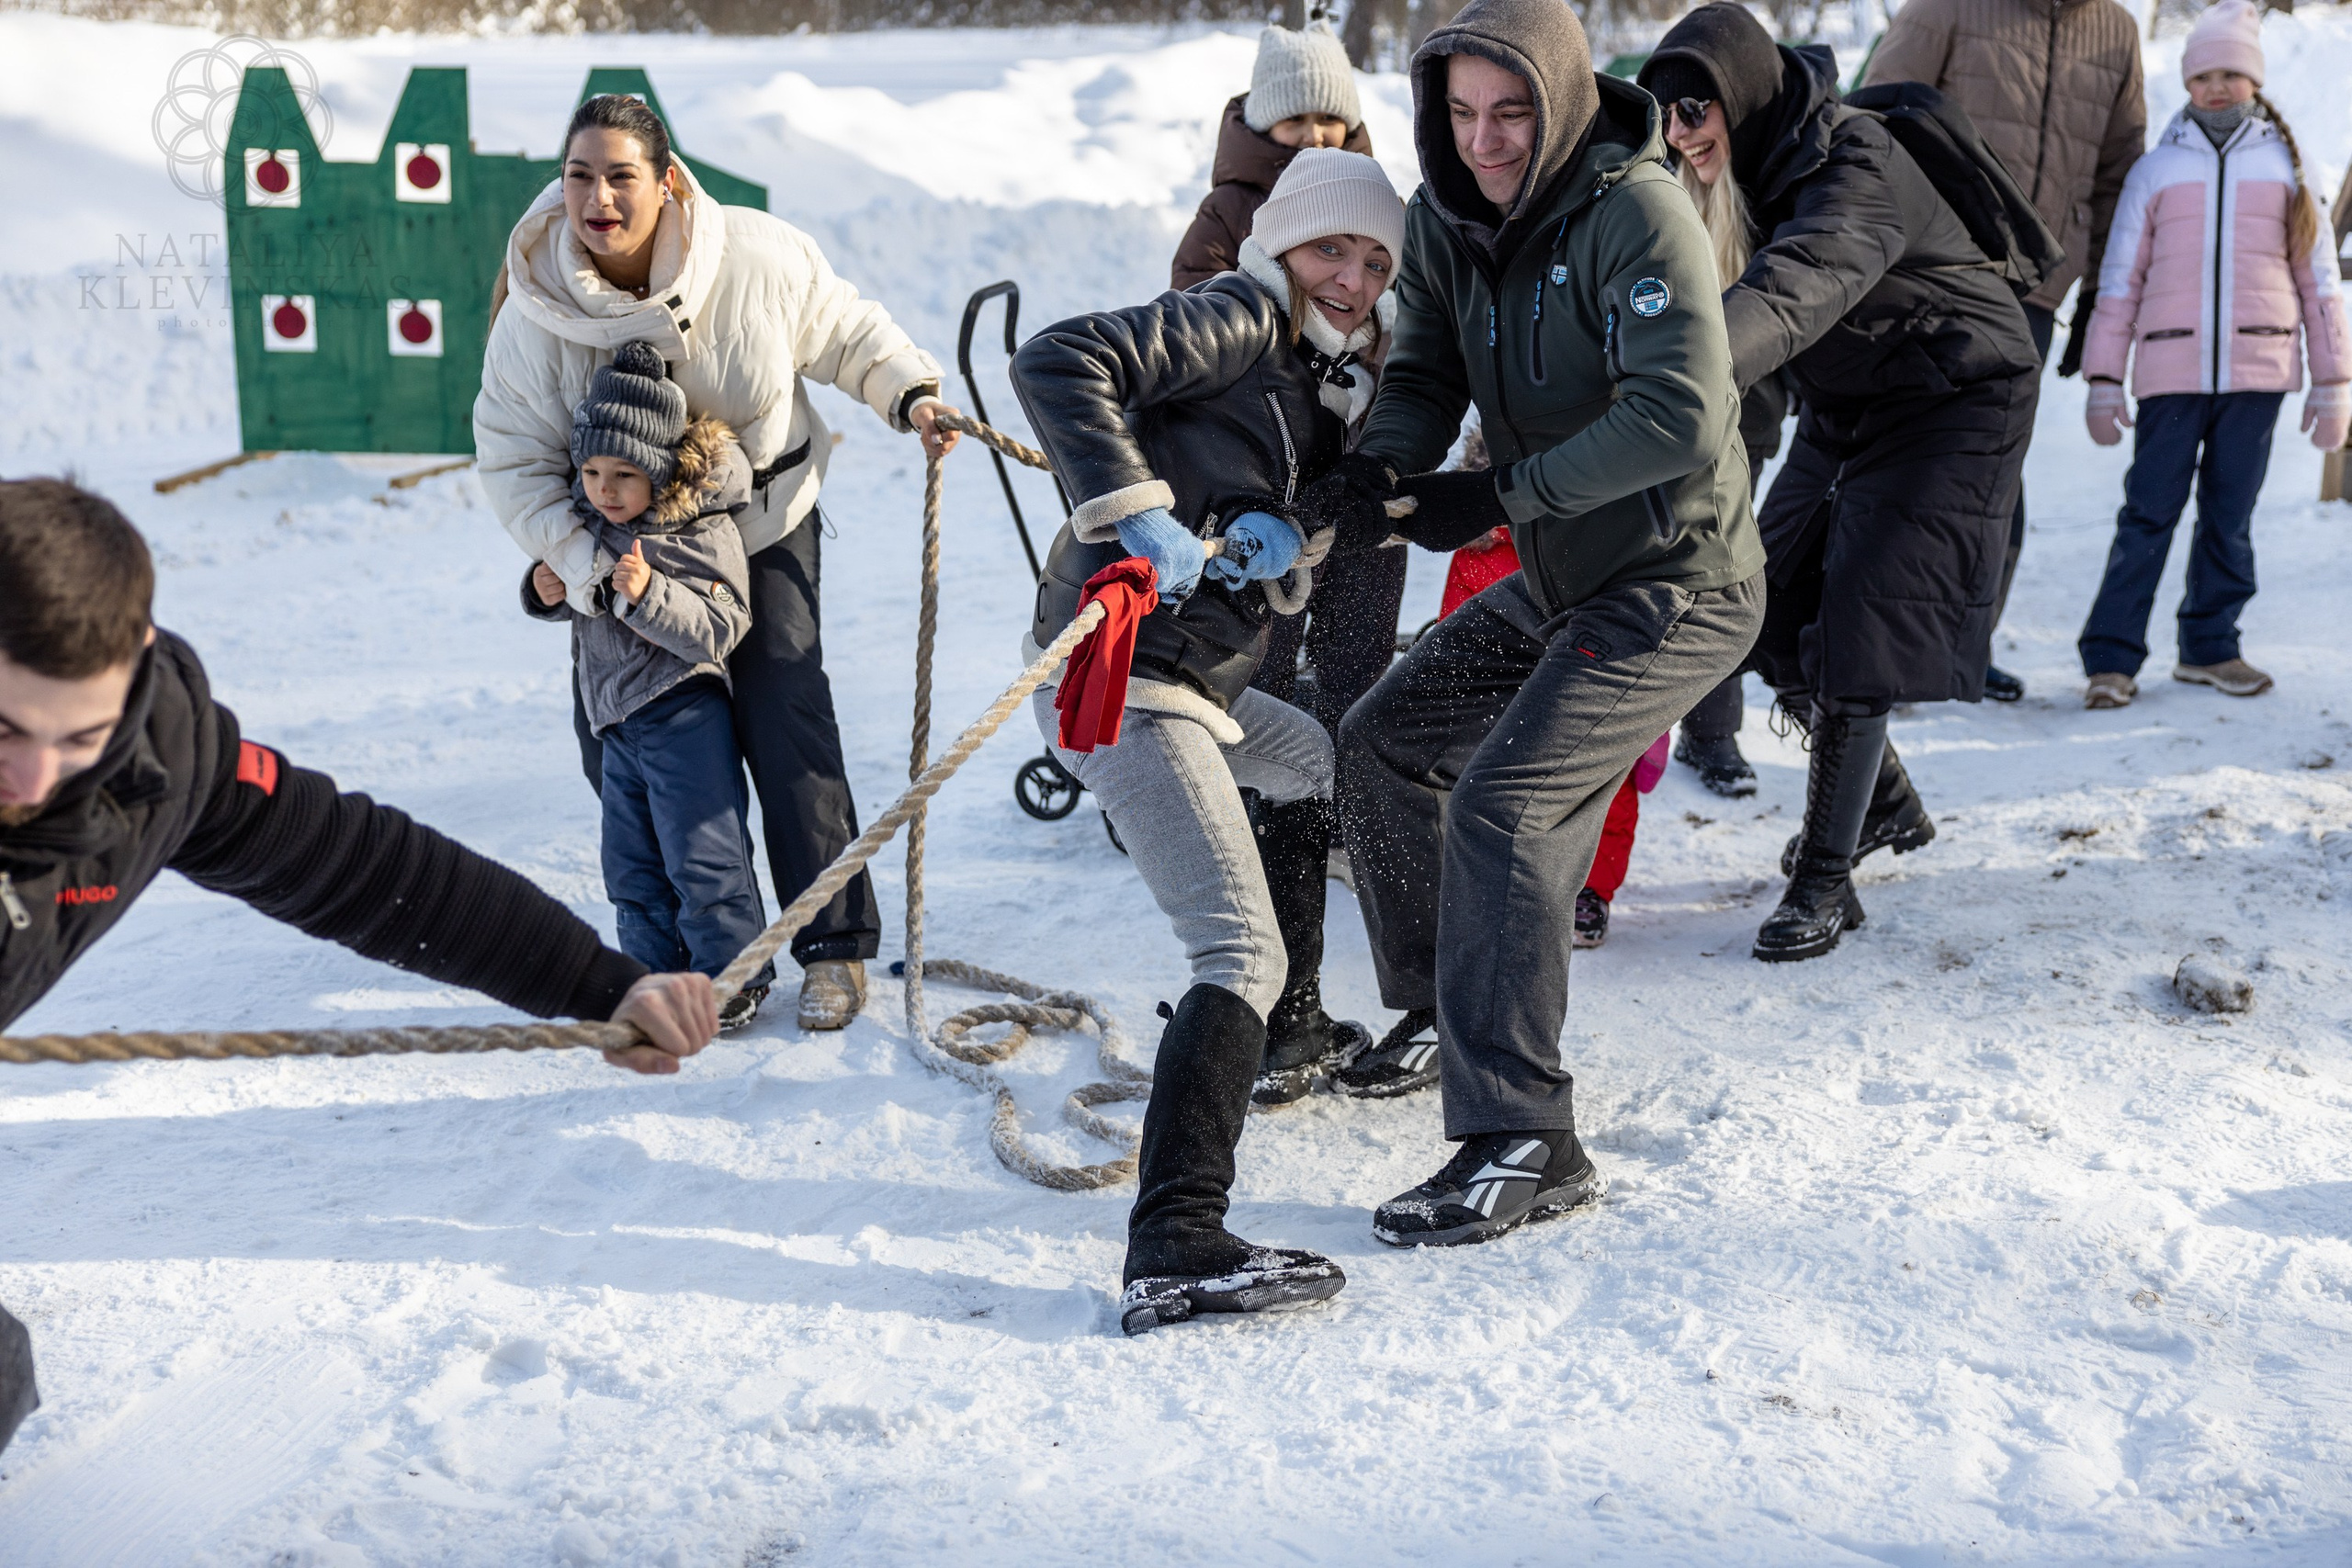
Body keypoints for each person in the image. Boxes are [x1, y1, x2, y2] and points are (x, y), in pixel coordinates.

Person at [0, 480, 720, 1457]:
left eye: (78, 738)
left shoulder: (160, 755)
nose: (39, 783)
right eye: (4, 732)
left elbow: (367, 870)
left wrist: (604, 984)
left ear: (131, 671)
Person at [1302, 0, 1766, 1247]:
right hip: (1566, 572)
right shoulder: (1447, 214)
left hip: (1680, 580)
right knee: (1384, 736)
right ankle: (1448, 1010)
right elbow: (1426, 371)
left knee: (1508, 802)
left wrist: (1495, 496)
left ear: (1558, 101)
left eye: (1510, 113)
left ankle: (1527, 1137)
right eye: (1460, 114)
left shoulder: (1637, 210)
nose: (1486, 141)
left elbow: (1678, 415)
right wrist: (1380, 472)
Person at [1012, 149, 1405, 1332]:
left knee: (1320, 766)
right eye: (1330, 249)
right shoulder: (1236, 313)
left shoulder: (1324, 378)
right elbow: (1060, 360)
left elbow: (1261, 482)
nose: (1350, 276)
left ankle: (1279, 1028)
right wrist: (1138, 513)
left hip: (1200, 686)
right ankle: (1177, 1238)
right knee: (1235, 948)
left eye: (1374, 261)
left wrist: (1274, 537)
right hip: (1125, 677)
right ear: (1280, 247)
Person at [476, 94, 965, 1035]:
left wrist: (909, 393)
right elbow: (511, 458)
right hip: (619, 551)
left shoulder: (754, 254)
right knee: (632, 740)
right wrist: (580, 569)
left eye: (621, 176)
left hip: (762, 520)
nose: (598, 198)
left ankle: (830, 946)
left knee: (783, 706)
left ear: (666, 181)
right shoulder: (535, 307)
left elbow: (842, 327)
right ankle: (686, 953)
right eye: (580, 176)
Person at [1637, 5, 2039, 964]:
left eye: (1695, 106)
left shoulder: (1852, 166)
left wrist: (1657, 384)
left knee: (1858, 622)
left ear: (1742, 92)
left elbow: (1789, 294)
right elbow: (1758, 365)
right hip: (1850, 402)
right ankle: (1884, 804)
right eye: (1663, 116)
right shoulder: (1733, 181)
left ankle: (1823, 878)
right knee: (1762, 606)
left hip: (1954, 397)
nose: (1681, 132)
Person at [1861, 0, 2146, 703]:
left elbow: (2118, 175)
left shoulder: (2115, 30)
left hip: (2036, 290)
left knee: (1993, 470)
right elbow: (1872, 120)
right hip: (1932, 273)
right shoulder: (1948, 7)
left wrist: (2100, 302)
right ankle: (1879, 645)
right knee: (1913, 456)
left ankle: (1963, 650)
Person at [2075, 1, 2350, 706]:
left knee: (2230, 516)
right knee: (2148, 514)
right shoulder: (2157, 171)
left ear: (2254, 79)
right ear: (2188, 82)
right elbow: (2119, 281)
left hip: (2258, 375)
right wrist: (2106, 377)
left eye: (2232, 73)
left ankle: (2210, 644)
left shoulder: (2291, 170)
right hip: (2170, 372)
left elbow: (2318, 285)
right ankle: (2112, 657)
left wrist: (2334, 383)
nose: (2218, 87)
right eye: (2204, 75)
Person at [523, 342, 778, 1029]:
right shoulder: (586, 524)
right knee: (631, 866)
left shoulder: (697, 527)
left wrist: (651, 594)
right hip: (613, 722)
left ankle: (732, 980)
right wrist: (547, 589)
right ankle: (649, 979)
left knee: (704, 852)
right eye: (593, 470)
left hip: (682, 712)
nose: (604, 489)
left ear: (660, 471)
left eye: (624, 474)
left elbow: (724, 624)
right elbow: (576, 596)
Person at [1170, 22, 1374, 290]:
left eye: (1328, 118)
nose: (1313, 134)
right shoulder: (1230, 209)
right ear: (1266, 126)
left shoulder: (1371, 200)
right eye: (1295, 118)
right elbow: (1194, 294)